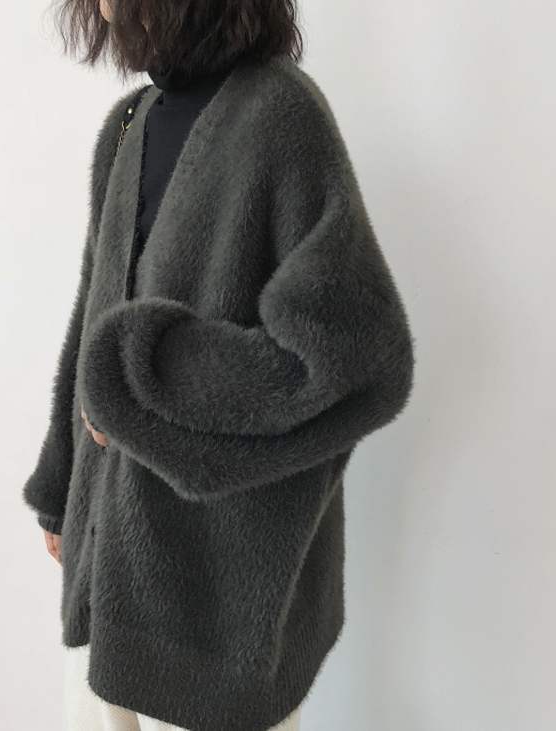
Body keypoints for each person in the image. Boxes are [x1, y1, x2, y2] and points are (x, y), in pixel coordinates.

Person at [22, 1, 416, 729]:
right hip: (109, 560)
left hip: (221, 579)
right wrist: (59, 485)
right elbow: (93, 311)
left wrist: (146, 379)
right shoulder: (128, 125)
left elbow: (354, 350)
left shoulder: (281, 114)